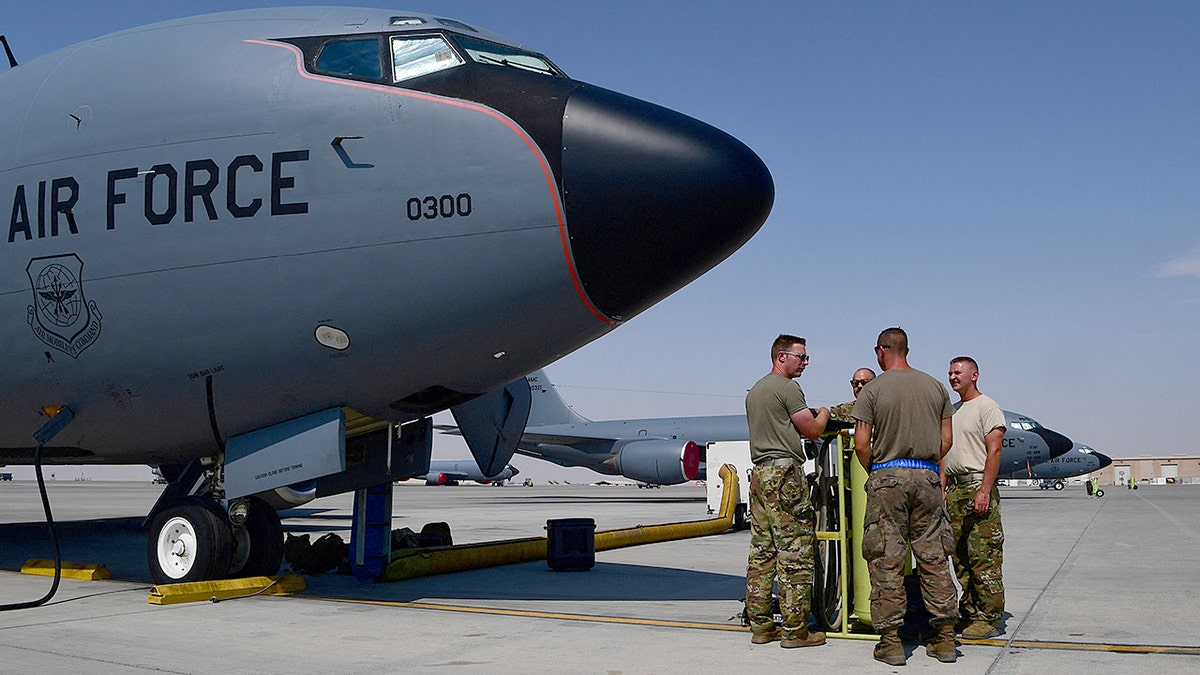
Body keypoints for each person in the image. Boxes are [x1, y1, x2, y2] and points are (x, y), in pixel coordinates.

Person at [851, 328, 959, 665]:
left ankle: (891, 642)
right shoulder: (935, 387)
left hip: (888, 477)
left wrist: (879, 472)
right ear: (906, 350)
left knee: (887, 559)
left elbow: (861, 444)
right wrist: (925, 466)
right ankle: (945, 639)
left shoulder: (873, 390)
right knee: (934, 557)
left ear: (881, 351)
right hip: (927, 477)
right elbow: (946, 440)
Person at [744, 334, 830, 648]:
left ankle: (761, 626)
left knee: (762, 552)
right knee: (795, 552)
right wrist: (824, 412)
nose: (805, 362)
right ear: (782, 356)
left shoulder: (756, 391)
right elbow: (813, 430)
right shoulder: (788, 388)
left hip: (761, 475)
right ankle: (795, 631)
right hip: (784, 475)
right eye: (801, 357)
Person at [944, 356, 1006, 640]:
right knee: (961, 557)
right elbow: (945, 452)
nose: (953, 377)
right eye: (950, 373)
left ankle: (989, 617)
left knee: (984, 556)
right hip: (955, 490)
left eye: (958, 372)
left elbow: (995, 450)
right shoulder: (953, 411)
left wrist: (984, 490)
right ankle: (970, 612)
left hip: (977, 485)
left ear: (974, 375)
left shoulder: (987, 406)